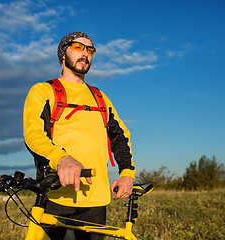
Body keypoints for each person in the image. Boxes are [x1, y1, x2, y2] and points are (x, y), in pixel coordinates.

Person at [23, 32, 136, 240]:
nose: (85, 53)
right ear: (62, 54)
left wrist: (127, 174)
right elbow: (33, 133)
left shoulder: (100, 97)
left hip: (95, 202)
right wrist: (62, 158)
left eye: (90, 50)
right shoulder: (44, 91)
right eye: (78, 47)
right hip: (55, 197)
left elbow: (120, 137)